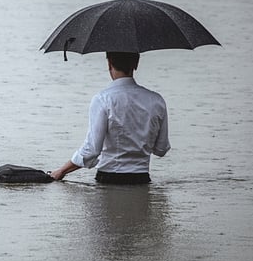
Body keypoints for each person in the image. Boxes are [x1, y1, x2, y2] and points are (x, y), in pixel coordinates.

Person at [50, 52, 170, 184]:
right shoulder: (156, 100)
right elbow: (161, 149)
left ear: (109, 63)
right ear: (136, 64)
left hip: (109, 178)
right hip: (142, 179)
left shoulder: (103, 99)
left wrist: (61, 171)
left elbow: (92, 150)